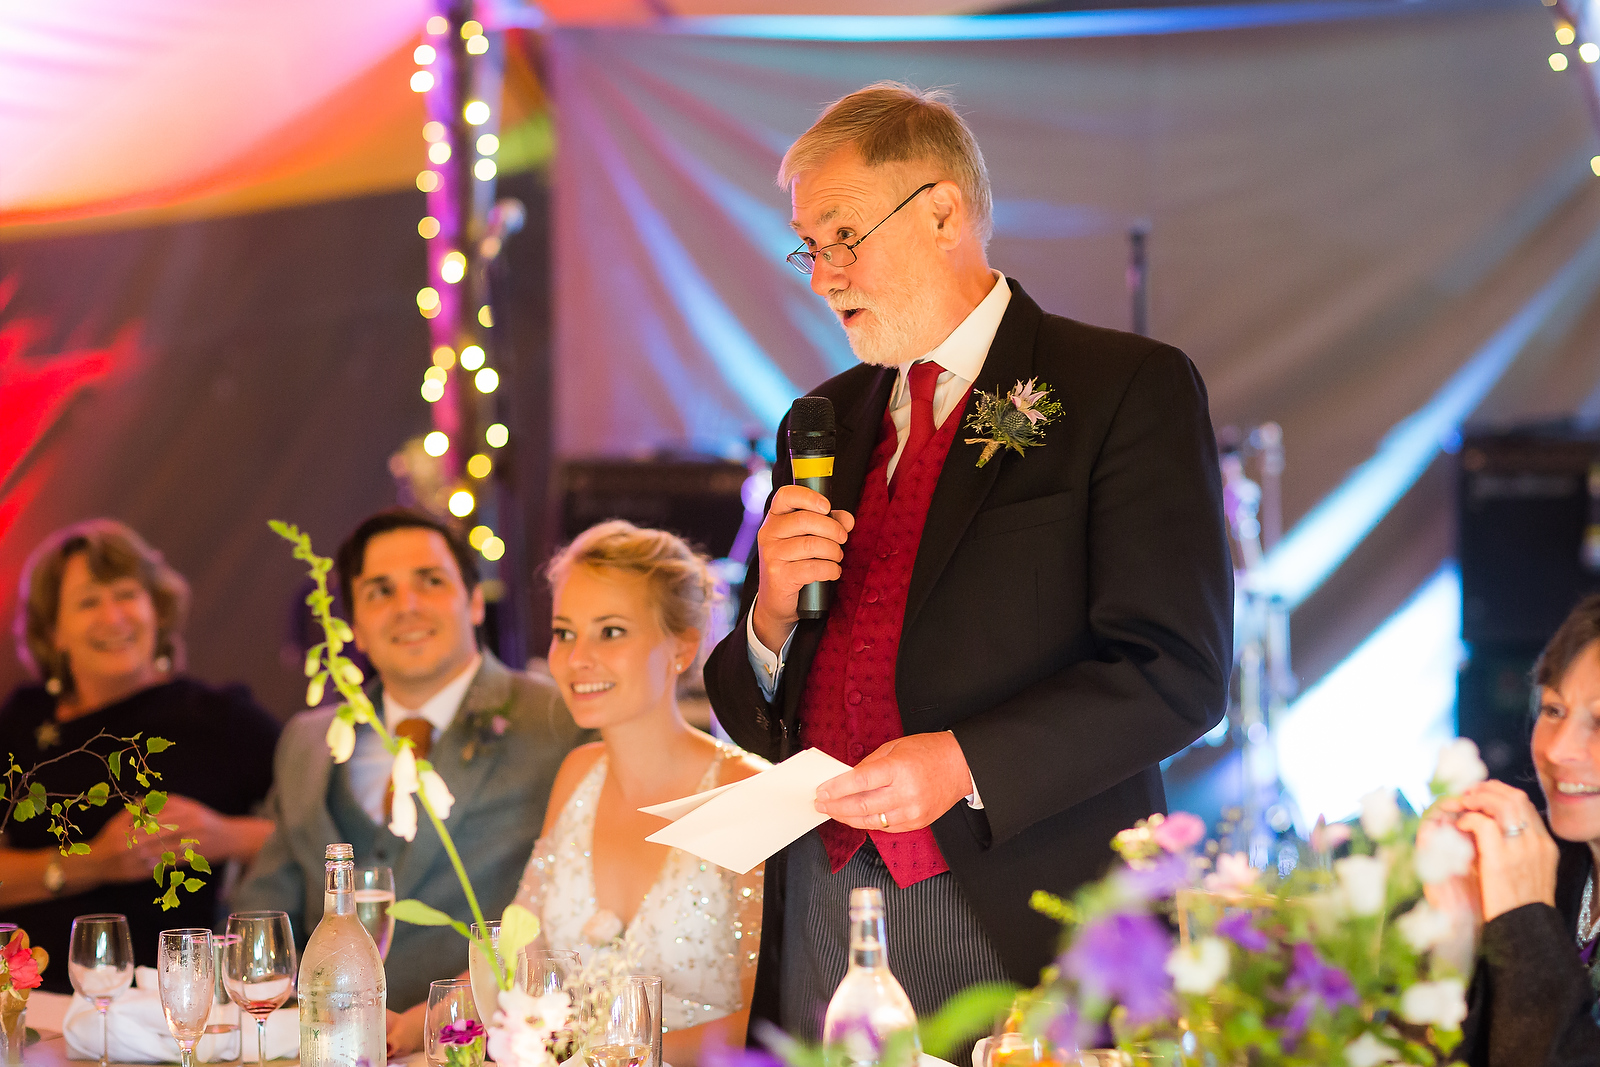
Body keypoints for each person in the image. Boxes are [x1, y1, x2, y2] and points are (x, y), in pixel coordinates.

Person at [703, 83, 1233, 1039]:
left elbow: (1179, 675)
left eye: (843, 235)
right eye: (808, 245)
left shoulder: (1122, 389)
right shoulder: (821, 419)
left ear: (943, 211)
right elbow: (750, 704)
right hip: (821, 907)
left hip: (1021, 905)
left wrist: (963, 763)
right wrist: (771, 617)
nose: (823, 275)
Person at [234, 508, 587, 1022]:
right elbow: (267, 908)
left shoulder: (557, 721)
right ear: (354, 624)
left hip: (483, 1046)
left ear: (473, 603)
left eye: (431, 581)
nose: (408, 606)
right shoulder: (308, 742)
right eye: (380, 591)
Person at [0, 519, 280, 992]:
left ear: (157, 610)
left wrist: (224, 835)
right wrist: (91, 862)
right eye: (89, 602)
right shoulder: (22, 721)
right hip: (31, 1004)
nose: (113, 618)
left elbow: (322, 841)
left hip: (176, 1009)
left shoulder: (221, 718)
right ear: (54, 633)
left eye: (127, 595)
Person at [1445, 592, 1600, 1066]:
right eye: (1553, 710)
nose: (1556, 751)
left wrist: (1526, 922)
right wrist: (1458, 935)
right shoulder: (1553, 871)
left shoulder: (1531, 893)